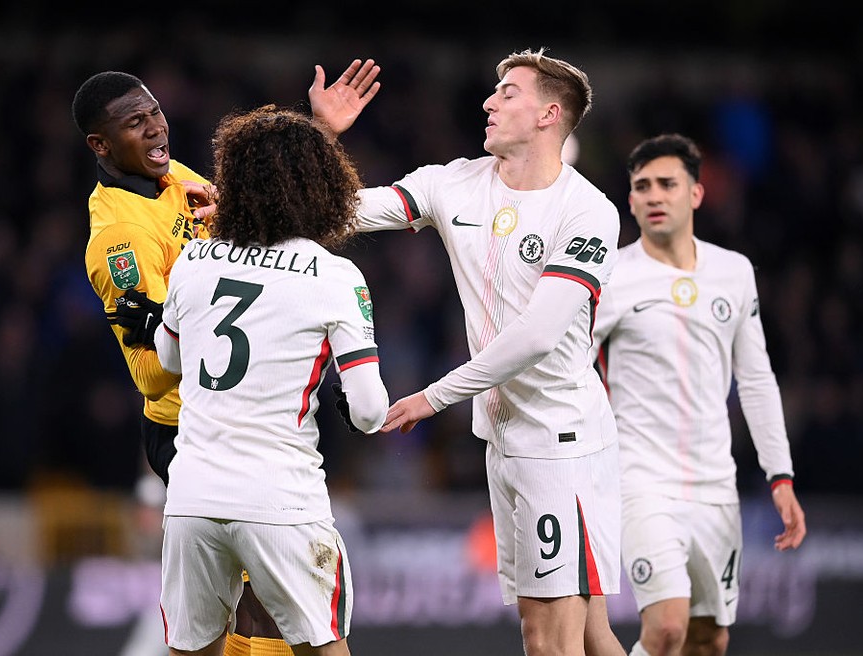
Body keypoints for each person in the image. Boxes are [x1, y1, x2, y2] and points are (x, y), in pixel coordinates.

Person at [73, 59, 381, 656]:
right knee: (259, 612)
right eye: (136, 123)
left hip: (243, 418)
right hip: (191, 429)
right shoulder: (121, 238)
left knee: (248, 613)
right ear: (101, 144)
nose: (157, 128)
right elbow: (158, 364)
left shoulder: (172, 183)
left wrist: (316, 135)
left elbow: (268, 206)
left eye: (156, 112)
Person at [352, 48, 627, 656]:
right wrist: (321, 138)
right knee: (584, 633)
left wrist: (434, 395)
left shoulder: (587, 212)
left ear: (550, 114)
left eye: (508, 92)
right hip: (506, 441)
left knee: (551, 641)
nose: (488, 101)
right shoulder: (452, 184)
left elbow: (536, 336)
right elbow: (343, 212)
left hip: (564, 444)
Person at [590, 133, 807, 656]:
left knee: (708, 640)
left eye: (667, 184)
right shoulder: (611, 275)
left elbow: (755, 379)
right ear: (631, 202)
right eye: (642, 187)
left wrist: (780, 475)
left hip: (715, 487)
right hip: (641, 482)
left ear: (696, 194)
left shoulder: (733, 272)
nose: (654, 195)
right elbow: (569, 366)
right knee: (665, 629)